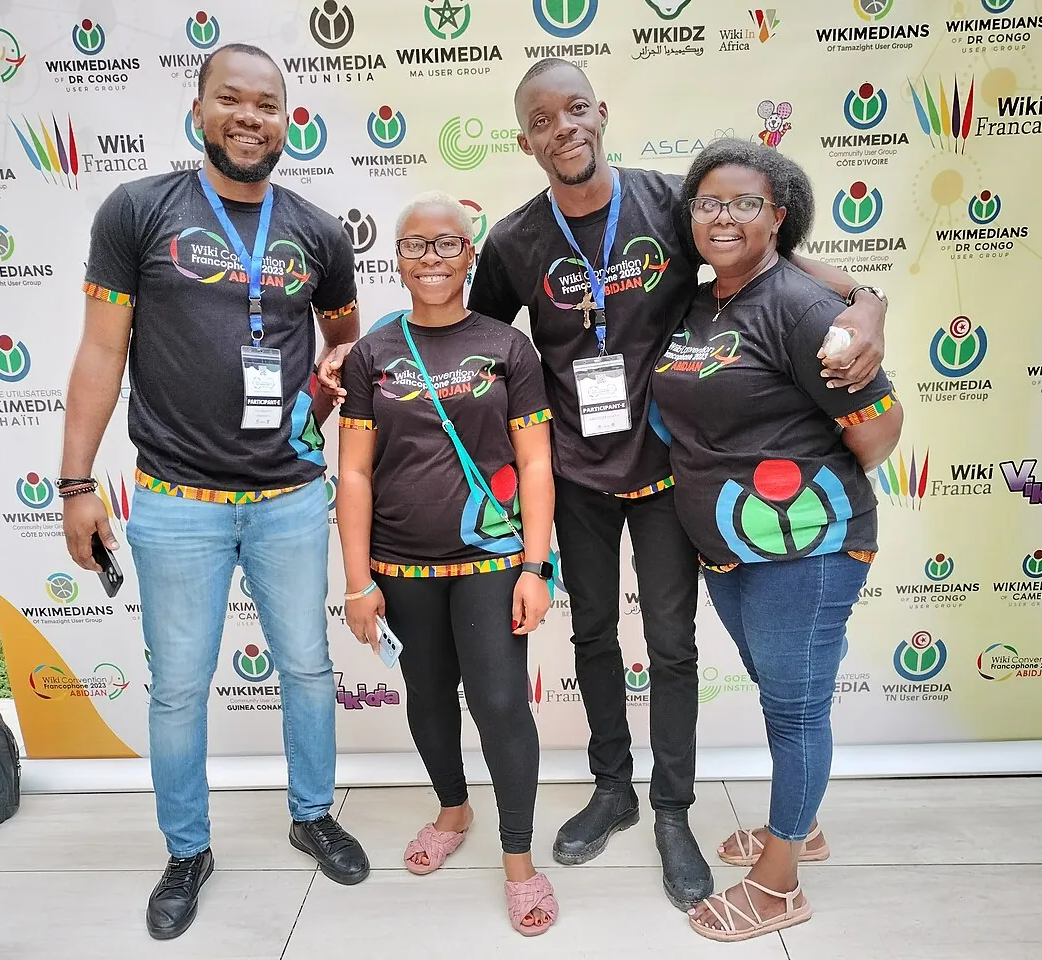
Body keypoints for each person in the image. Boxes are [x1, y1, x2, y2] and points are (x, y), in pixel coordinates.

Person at [319, 58, 889, 910]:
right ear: (526, 140)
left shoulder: (672, 201)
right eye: (543, 121)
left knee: (670, 647)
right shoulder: (513, 239)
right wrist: (370, 373)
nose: (564, 130)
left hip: (668, 473)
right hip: (574, 475)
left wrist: (869, 299)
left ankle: (672, 809)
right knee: (592, 640)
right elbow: (469, 343)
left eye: (576, 110)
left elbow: (777, 260)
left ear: (602, 113)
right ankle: (614, 787)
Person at [60, 43, 370, 941]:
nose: (250, 117)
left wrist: (329, 398)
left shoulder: (315, 229)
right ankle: (186, 849)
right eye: (230, 100)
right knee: (178, 689)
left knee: (307, 667)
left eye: (267, 105)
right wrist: (76, 483)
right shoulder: (138, 211)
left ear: (289, 121)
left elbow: (344, 346)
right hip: (174, 503)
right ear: (198, 111)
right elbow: (99, 353)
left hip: (288, 498)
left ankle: (312, 814)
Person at [652, 138, 903, 941]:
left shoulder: (799, 307)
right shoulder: (701, 300)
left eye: (745, 203)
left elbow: (878, 432)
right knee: (778, 691)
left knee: (796, 711)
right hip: (729, 551)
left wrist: (863, 305)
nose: (723, 217)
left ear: (778, 216)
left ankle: (780, 880)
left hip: (808, 551)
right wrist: (868, 290)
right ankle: (805, 823)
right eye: (709, 203)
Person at [335, 192, 560, 936]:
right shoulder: (372, 352)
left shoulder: (508, 347)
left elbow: (533, 463)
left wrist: (536, 566)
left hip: (492, 561)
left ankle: (520, 862)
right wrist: (359, 579)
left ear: (471, 256)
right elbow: (357, 473)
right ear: (395, 259)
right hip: (400, 568)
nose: (430, 258)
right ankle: (453, 809)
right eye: (414, 245)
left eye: (446, 245)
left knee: (499, 705)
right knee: (426, 701)